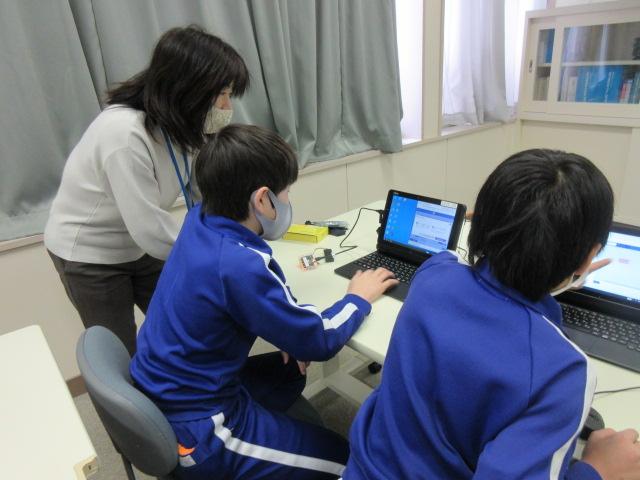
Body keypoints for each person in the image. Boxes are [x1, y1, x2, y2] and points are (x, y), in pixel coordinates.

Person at [343, 149, 640, 479]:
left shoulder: (435, 270)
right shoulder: (564, 372)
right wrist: (597, 471)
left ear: (477, 221)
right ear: (589, 258)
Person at [129, 124, 398, 479]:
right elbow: (319, 340)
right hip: (201, 427)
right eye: (285, 192)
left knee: (289, 373)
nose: (287, 201)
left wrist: (288, 329)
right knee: (346, 459)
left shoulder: (200, 220)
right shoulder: (238, 265)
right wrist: (357, 298)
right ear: (261, 200)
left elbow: (249, 293)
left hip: (168, 385)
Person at [44, 26, 249, 355]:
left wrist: (234, 237)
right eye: (222, 94)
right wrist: (220, 258)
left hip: (140, 246)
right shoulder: (124, 135)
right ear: (189, 89)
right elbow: (151, 230)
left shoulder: (183, 126)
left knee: (186, 322)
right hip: (91, 254)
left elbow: (204, 194)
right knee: (119, 352)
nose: (227, 106)